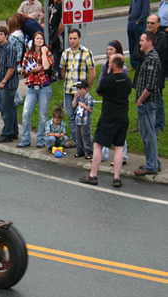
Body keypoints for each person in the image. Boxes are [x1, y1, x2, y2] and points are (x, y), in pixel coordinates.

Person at [80, 54, 133, 187]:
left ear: (114, 65)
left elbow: (99, 92)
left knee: (98, 145)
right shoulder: (127, 80)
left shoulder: (107, 81)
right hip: (122, 117)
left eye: (109, 63)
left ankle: (93, 175)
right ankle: (116, 178)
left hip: (108, 117)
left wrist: (107, 74)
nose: (108, 65)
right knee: (119, 147)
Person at [60, 29, 95, 148]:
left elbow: (92, 72)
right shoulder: (65, 53)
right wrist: (67, 82)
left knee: (83, 116)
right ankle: (75, 140)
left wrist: (86, 88)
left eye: (75, 38)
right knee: (71, 116)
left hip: (81, 92)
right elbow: (63, 70)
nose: (72, 41)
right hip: (69, 90)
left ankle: (87, 141)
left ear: (79, 38)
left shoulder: (86, 52)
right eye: (70, 38)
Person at [18, 31, 53, 148]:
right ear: (34, 40)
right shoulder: (28, 54)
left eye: (41, 39)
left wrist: (43, 52)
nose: (39, 40)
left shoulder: (47, 53)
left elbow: (47, 66)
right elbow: (23, 72)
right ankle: (25, 139)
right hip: (32, 87)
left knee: (43, 115)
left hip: (44, 87)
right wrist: (32, 70)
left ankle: (40, 140)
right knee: (26, 113)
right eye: (37, 38)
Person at [134, 31, 162, 176]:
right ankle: (154, 162)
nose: (140, 43)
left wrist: (140, 99)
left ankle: (151, 166)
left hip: (147, 103)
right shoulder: (149, 57)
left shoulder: (152, 59)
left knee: (148, 134)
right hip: (146, 103)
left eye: (142, 40)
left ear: (149, 42)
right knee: (147, 134)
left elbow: (150, 85)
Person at [98, 40, 129, 165]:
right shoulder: (106, 65)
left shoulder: (123, 66)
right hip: (108, 101)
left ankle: (123, 157)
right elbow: (101, 80)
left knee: (119, 131)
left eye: (111, 49)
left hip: (119, 104)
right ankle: (104, 155)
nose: (109, 52)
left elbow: (124, 83)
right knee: (105, 129)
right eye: (108, 49)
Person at [135, 14, 166, 135]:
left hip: (156, 73)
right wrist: (143, 54)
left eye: (152, 23)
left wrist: (144, 55)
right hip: (143, 71)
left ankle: (158, 124)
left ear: (158, 24)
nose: (149, 25)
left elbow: (157, 52)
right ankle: (141, 123)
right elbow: (136, 52)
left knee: (158, 99)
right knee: (140, 93)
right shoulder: (144, 35)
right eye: (148, 22)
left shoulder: (162, 38)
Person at [0, 26, 19, 143]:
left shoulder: (10, 48)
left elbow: (11, 67)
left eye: (1, 34)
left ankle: (7, 133)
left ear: (6, 36)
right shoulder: (1, 48)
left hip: (8, 84)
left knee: (6, 109)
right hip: (3, 82)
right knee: (11, 108)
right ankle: (14, 131)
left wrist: (4, 81)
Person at [72, 80, 94, 159]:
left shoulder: (89, 98)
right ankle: (80, 151)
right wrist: (75, 98)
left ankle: (89, 152)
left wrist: (83, 105)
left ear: (86, 89)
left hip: (85, 121)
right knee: (79, 137)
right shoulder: (79, 97)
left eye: (81, 89)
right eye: (78, 89)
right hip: (78, 120)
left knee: (86, 137)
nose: (79, 91)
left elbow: (91, 109)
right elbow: (74, 105)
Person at [128, 0, 150, 68]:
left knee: (140, 44)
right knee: (132, 44)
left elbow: (145, 11)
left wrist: (139, 20)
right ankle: (133, 64)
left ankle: (140, 63)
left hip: (139, 23)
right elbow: (131, 8)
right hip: (131, 21)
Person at [48, 0, 64, 80]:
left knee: (58, 53)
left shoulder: (62, 5)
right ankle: (57, 73)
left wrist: (58, 34)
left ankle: (61, 75)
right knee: (54, 53)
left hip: (58, 33)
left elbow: (63, 21)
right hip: (53, 31)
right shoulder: (56, 5)